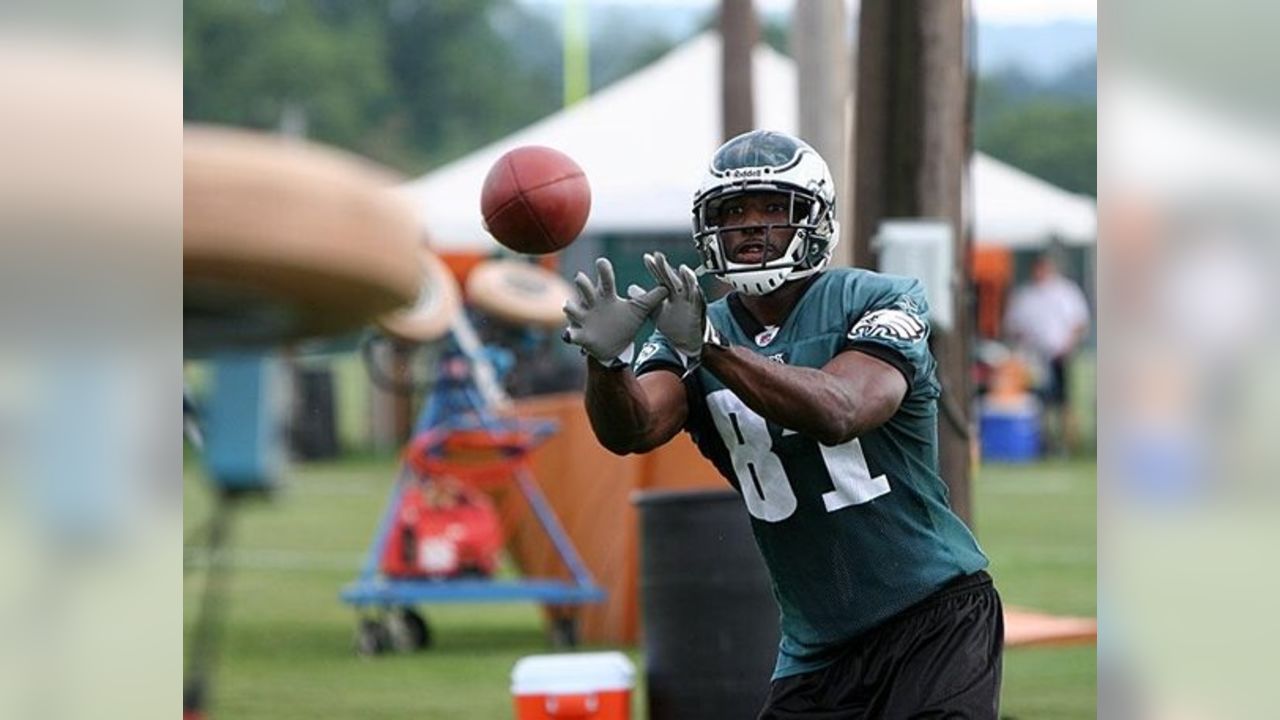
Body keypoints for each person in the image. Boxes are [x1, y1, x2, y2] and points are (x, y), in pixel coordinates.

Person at [562, 130, 1002, 718]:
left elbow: (841, 411)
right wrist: (607, 363)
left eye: (774, 206)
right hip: (816, 648)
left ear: (815, 218)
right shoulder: (695, 325)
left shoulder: (877, 298)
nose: (750, 224)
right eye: (733, 211)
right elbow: (633, 430)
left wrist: (713, 350)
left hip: (932, 618)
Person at [1002, 252, 1091, 456]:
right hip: (1034, 357)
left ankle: (1068, 445)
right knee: (1039, 402)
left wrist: (1067, 346)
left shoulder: (1065, 292)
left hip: (1060, 355)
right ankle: (1044, 443)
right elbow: (1013, 326)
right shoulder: (1026, 296)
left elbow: (1079, 323)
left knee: (1064, 401)